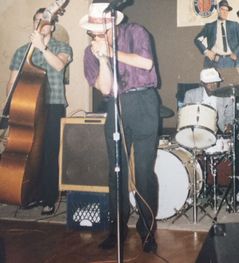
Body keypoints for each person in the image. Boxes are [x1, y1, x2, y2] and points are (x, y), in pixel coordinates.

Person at [80, 2, 159, 253]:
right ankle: (117, 231)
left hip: (144, 101)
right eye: (93, 30)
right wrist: (103, 58)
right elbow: (105, 89)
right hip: (115, 105)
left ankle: (148, 232)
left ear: (111, 23)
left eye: (100, 28)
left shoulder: (136, 32)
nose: (97, 34)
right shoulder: (90, 52)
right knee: (116, 172)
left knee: (144, 172)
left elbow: (146, 63)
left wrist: (111, 51)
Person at [6, 8, 72, 215]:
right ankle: (31, 193)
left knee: (50, 152)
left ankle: (49, 198)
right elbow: (12, 82)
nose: (41, 23)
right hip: (26, 107)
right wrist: (9, 108)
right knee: (29, 151)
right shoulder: (21, 51)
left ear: (51, 26)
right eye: (37, 20)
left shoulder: (62, 46)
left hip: (53, 104)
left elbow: (59, 65)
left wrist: (42, 48)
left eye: (44, 20)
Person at [194, 0, 239, 68]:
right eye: (222, 9)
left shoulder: (234, 25)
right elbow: (197, 40)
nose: (225, 12)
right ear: (218, 10)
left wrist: (236, 52)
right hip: (215, 60)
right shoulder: (209, 26)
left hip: (231, 61)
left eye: (227, 10)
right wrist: (206, 51)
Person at [183, 68, 233, 133]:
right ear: (202, 83)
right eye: (209, 83)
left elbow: (230, 117)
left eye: (215, 82)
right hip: (197, 130)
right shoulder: (190, 95)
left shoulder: (226, 97)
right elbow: (186, 117)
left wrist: (228, 128)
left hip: (218, 130)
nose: (213, 86)